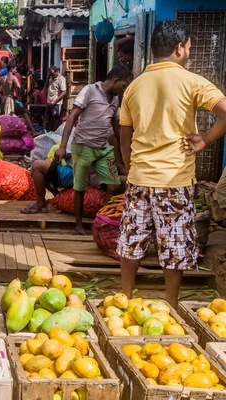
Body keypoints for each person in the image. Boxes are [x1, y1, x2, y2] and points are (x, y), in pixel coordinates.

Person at [118, 20, 226, 308]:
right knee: (175, 245)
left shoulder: (134, 86)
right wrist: (204, 139)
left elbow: (124, 135)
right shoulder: (192, 82)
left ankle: (124, 299)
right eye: (189, 47)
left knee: (132, 241)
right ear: (179, 48)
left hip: (140, 178)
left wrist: (130, 168)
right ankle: (171, 305)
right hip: (175, 181)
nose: (188, 52)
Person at [55, 65, 132, 234]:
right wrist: (62, 146)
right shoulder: (89, 91)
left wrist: (127, 146)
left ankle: (103, 220)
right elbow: (72, 118)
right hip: (83, 146)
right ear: (116, 81)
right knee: (80, 188)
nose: (123, 89)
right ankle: (79, 225)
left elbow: (116, 127)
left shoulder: (115, 100)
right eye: (124, 85)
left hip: (103, 149)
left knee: (113, 185)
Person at [43, 66, 67, 131]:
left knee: (56, 118)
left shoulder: (61, 79)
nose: (52, 76)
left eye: (53, 75)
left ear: (57, 72)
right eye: (51, 75)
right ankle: (44, 131)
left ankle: (56, 132)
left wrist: (54, 101)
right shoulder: (50, 77)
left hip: (56, 102)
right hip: (49, 101)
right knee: (46, 117)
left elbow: (64, 92)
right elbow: (47, 85)